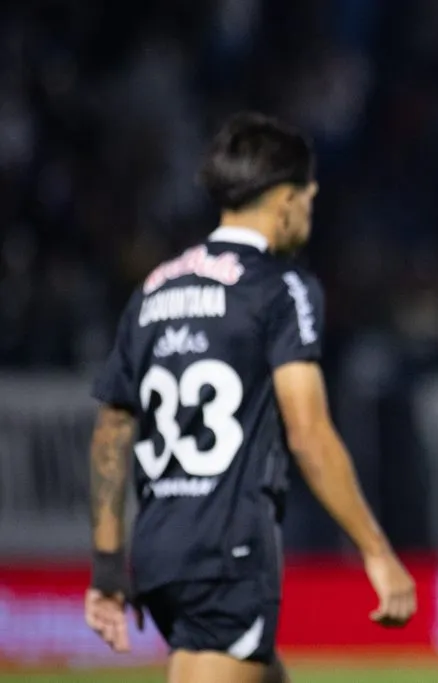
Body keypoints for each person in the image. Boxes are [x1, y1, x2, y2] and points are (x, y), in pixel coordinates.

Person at [84, 112, 417, 683]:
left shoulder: (155, 289)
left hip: (159, 546)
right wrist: (376, 551)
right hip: (228, 546)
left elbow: (112, 429)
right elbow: (308, 435)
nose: (310, 209)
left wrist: (109, 563)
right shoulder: (280, 287)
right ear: (285, 200)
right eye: (308, 196)